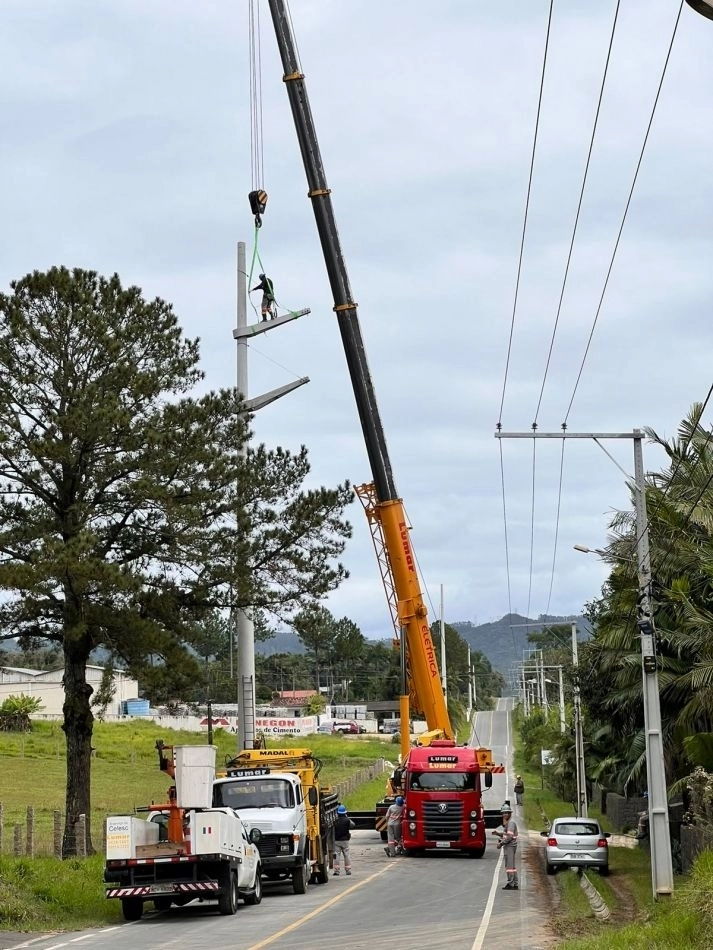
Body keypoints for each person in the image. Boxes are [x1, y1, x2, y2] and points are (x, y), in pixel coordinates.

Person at [491, 804, 519, 889]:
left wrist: (501, 844)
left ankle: (511, 884)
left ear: (510, 813)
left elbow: (510, 837)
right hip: (509, 846)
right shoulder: (509, 823)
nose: (504, 814)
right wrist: (498, 834)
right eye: (503, 813)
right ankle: (515, 883)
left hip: (510, 846)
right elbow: (506, 835)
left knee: (509, 866)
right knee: (511, 866)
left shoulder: (511, 823)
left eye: (506, 813)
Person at [333, 804, 355, 876]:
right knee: (346, 855)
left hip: (337, 841)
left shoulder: (335, 821)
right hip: (345, 841)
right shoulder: (347, 820)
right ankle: (348, 870)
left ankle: (336, 871)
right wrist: (347, 817)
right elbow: (353, 825)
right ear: (345, 813)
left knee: (337, 855)